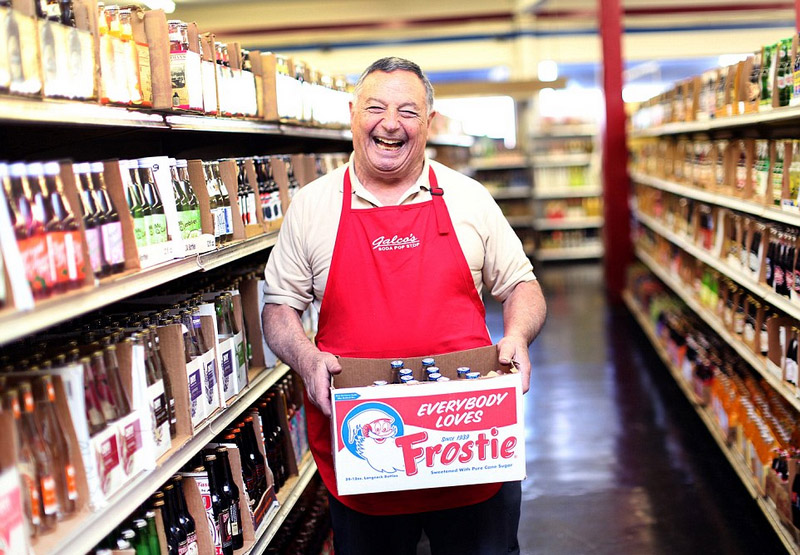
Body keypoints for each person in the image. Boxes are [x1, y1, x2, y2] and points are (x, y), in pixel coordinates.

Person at [261, 56, 547, 555]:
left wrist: (518, 336)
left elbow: (522, 285)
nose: (390, 124)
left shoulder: (468, 198)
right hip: (365, 450)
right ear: (352, 114)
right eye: (376, 107)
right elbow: (280, 306)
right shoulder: (313, 205)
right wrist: (305, 359)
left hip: (468, 444)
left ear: (429, 123)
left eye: (408, 111)